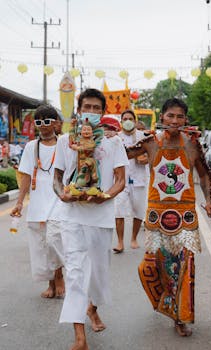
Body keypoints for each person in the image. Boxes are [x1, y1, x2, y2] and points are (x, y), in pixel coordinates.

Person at [125, 98, 211, 336]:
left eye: (180, 117)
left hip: (184, 214)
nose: (175, 121)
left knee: (183, 266)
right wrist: (107, 138)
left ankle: (180, 316)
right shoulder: (149, 142)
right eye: (170, 116)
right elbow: (121, 156)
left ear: (185, 119)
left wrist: (209, 202)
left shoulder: (193, 145)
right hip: (156, 213)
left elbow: (204, 175)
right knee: (150, 266)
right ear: (162, 117)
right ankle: (167, 303)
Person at [53, 88, 128, 350]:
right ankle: (79, 337)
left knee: (97, 276)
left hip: (101, 216)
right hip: (72, 216)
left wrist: (106, 196)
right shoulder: (66, 141)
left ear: (103, 112)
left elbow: (121, 179)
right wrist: (63, 195)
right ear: (79, 109)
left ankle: (92, 308)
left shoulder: (113, 143)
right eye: (88, 107)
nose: (92, 112)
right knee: (75, 273)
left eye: (97, 108)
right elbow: (57, 177)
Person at [10, 104, 65, 298]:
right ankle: (51, 282)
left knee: (54, 240)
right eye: (39, 122)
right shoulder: (32, 146)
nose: (43, 125)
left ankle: (59, 276)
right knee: (42, 244)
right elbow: (25, 176)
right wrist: (19, 203)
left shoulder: (64, 143)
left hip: (60, 199)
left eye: (47, 121)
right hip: (38, 200)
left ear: (56, 123)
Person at [113, 109, 149, 253]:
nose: (127, 121)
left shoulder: (143, 137)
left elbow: (150, 156)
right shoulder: (116, 138)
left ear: (135, 121)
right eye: (125, 119)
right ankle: (120, 242)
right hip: (121, 180)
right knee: (118, 211)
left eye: (130, 118)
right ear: (121, 122)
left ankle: (133, 238)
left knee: (139, 210)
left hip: (139, 179)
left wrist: (144, 159)